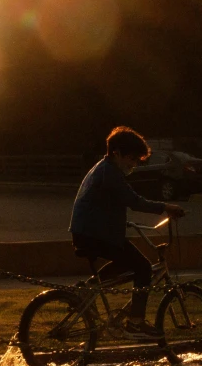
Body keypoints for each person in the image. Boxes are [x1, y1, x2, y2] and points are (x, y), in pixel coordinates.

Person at [69, 126, 185, 337]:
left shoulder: (103, 168)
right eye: (131, 159)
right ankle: (136, 321)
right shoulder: (111, 173)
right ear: (117, 153)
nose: (133, 164)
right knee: (143, 268)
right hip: (96, 233)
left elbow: (109, 203)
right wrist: (166, 207)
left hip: (90, 231)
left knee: (126, 261)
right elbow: (134, 201)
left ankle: (87, 290)